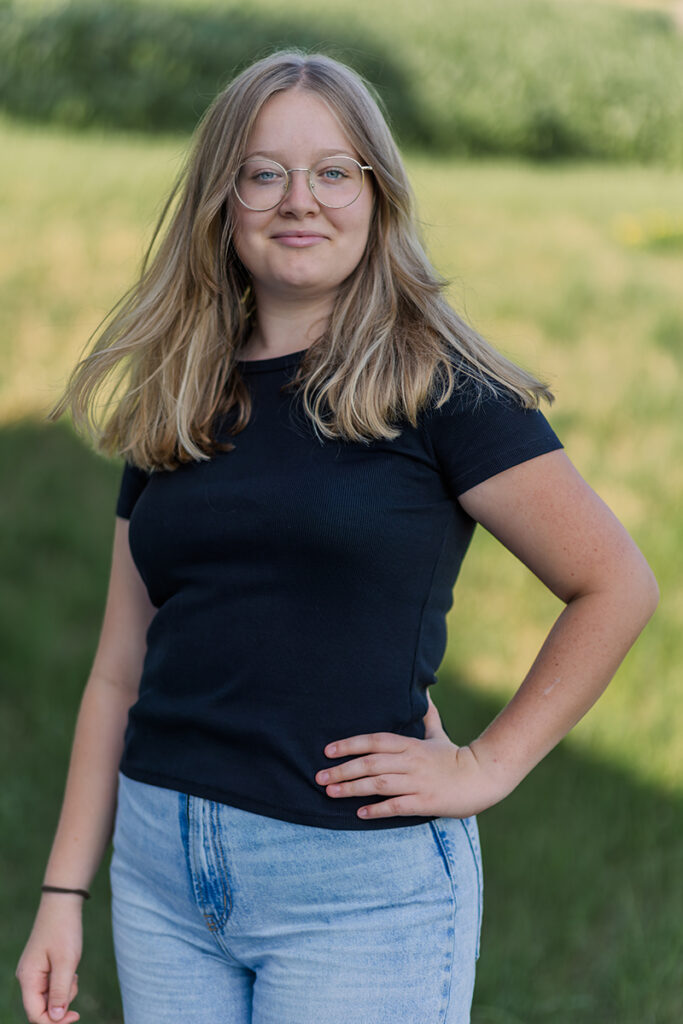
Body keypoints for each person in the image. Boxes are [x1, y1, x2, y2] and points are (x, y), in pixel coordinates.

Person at [15, 49, 658, 1024]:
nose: (298, 200)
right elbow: (118, 669)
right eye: (263, 173)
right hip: (160, 878)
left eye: (332, 172)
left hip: (355, 890)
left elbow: (615, 584)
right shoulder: (179, 394)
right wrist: (64, 891)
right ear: (221, 201)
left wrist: (486, 765)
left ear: (376, 194)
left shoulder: (439, 388)